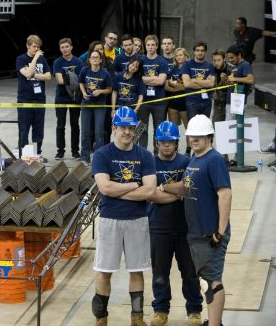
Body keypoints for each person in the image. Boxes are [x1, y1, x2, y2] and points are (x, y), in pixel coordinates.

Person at [161, 114, 232, 326]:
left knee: (212, 283)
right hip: (196, 234)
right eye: (192, 136)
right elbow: (186, 186)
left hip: (209, 234)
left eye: (199, 137)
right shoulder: (195, 159)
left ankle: (214, 324)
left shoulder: (215, 159)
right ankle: (213, 321)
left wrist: (219, 231)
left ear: (209, 137)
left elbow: (225, 194)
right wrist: (162, 187)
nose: (194, 140)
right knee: (206, 281)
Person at [91, 106, 157, 326]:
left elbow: (149, 191)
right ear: (114, 128)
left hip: (137, 220)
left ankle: (136, 318)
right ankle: (101, 319)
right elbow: (105, 188)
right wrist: (133, 185)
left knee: (136, 270)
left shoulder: (145, 155)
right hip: (110, 220)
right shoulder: (102, 154)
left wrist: (118, 190)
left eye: (131, 127)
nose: (127, 132)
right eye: (123, 128)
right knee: (104, 271)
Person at [147, 121, 203, 326]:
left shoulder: (187, 162)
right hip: (157, 227)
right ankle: (161, 310)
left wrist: (164, 187)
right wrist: (176, 192)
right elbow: (150, 194)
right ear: (156, 143)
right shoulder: (150, 163)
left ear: (177, 143)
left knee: (190, 272)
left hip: (185, 227)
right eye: (162, 142)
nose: (166, 146)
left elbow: (189, 189)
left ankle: (194, 310)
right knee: (159, 272)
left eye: (170, 142)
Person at [16, 34, 51, 158]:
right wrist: (35, 58)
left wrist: (34, 74)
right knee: (24, 129)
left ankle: (36, 154)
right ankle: (25, 156)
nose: (37, 49)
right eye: (34, 47)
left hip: (39, 98)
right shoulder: (21, 59)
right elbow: (26, 75)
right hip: (25, 98)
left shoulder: (43, 60)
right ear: (28, 46)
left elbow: (48, 76)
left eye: (38, 47)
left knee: (38, 129)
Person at [79, 50, 112, 165]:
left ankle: (99, 158)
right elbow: (81, 82)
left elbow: (109, 89)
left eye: (97, 57)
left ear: (101, 60)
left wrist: (101, 91)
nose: (94, 59)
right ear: (89, 59)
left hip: (100, 105)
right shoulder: (85, 70)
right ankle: (84, 157)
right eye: (92, 57)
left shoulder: (105, 73)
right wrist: (83, 92)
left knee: (99, 133)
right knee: (85, 131)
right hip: (86, 103)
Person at [52, 37, 83, 160]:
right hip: (61, 97)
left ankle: (75, 152)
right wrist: (73, 78)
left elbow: (81, 80)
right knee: (61, 125)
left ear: (71, 47)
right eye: (62, 47)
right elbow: (59, 81)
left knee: (75, 125)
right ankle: (60, 151)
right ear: (60, 49)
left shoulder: (78, 62)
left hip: (75, 97)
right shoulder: (58, 62)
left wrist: (69, 78)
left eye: (66, 46)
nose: (64, 49)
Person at [139, 35, 168, 153]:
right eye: (148, 45)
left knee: (158, 128)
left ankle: (157, 153)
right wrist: (154, 78)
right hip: (144, 100)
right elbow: (137, 79)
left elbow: (161, 81)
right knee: (142, 128)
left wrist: (145, 79)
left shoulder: (162, 61)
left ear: (157, 46)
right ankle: (142, 152)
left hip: (159, 101)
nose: (150, 47)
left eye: (153, 45)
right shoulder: (140, 60)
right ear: (145, 46)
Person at [182, 41, 216, 120]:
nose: (200, 53)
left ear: (205, 52)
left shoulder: (210, 66)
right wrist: (205, 83)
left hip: (206, 102)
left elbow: (211, 84)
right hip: (192, 102)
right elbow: (187, 84)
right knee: (194, 128)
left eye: (202, 50)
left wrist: (194, 80)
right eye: (197, 50)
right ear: (194, 51)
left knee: (204, 128)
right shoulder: (187, 64)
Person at [165, 48, 190, 154]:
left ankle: (188, 150)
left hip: (185, 102)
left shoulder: (189, 68)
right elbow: (166, 87)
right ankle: (175, 149)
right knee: (173, 128)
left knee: (188, 128)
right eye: (177, 55)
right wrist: (178, 87)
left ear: (185, 56)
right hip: (173, 103)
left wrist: (175, 85)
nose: (179, 57)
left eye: (181, 55)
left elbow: (188, 87)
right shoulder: (173, 69)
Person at [211, 49, 235, 124]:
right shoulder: (212, 69)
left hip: (231, 102)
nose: (216, 63)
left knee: (231, 127)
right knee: (217, 127)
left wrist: (227, 80)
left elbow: (239, 84)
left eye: (219, 60)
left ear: (224, 59)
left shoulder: (232, 69)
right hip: (218, 103)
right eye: (214, 60)